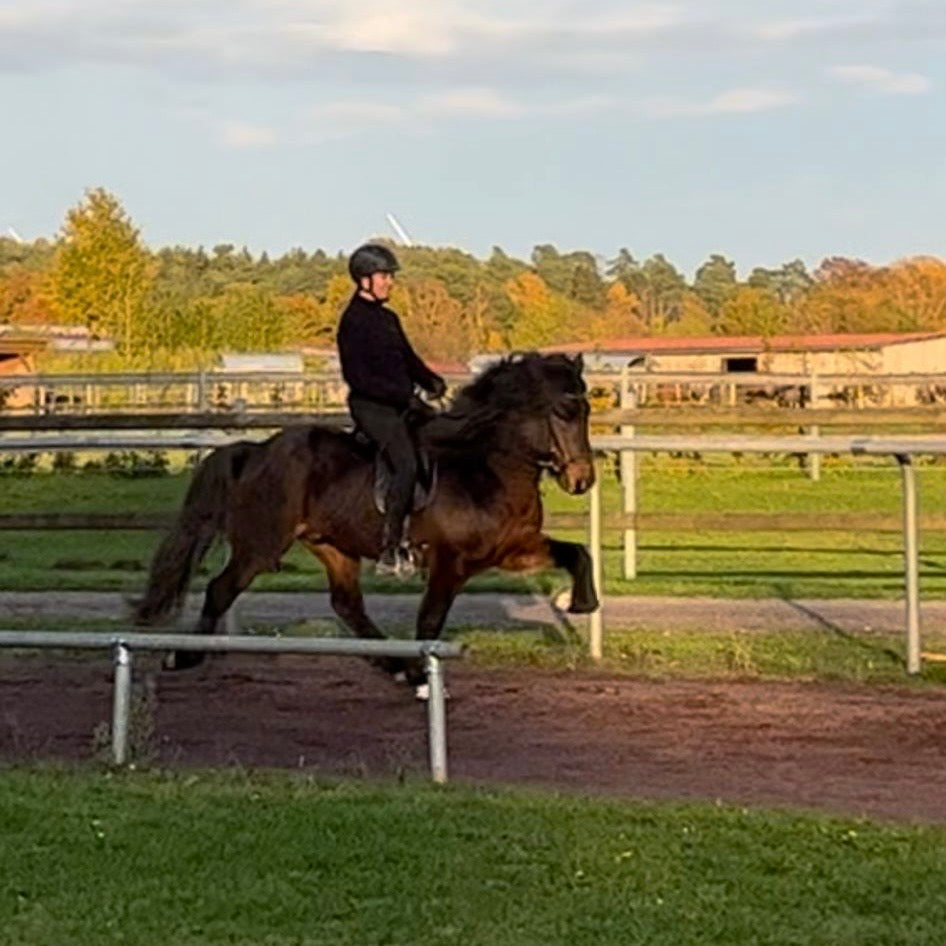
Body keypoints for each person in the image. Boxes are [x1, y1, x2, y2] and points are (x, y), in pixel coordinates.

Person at [336, 243, 447, 576]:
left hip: (401, 403)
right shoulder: (353, 321)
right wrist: (403, 396)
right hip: (372, 408)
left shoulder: (388, 318)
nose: (390, 282)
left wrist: (431, 381)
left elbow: (408, 360)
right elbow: (358, 378)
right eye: (384, 276)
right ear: (365, 280)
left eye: (390, 277)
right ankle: (390, 546)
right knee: (406, 464)